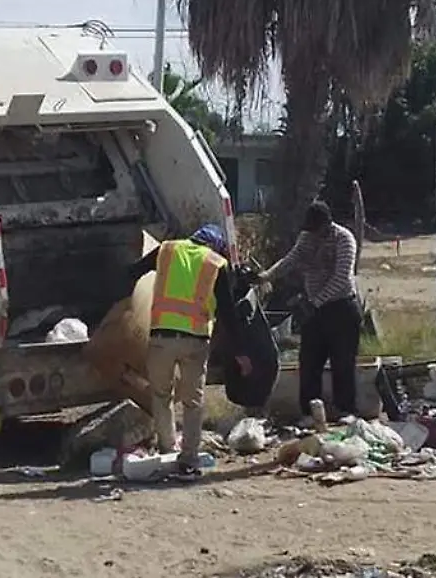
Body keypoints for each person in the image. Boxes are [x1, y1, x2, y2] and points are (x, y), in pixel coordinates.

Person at [127, 223, 251, 481]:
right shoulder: (215, 263)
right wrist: (240, 352)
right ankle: (188, 462)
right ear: (215, 245)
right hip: (195, 341)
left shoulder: (167, 250)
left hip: (161, 338)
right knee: (192, 402)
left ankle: (168, 448)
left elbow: (134, 272)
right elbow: (228, 312)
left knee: (161, 395)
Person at [256, 201, 360, 422]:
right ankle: (310, 412)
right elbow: (291, 259)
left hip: (341, 307)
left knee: (343, 361)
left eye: (316, 229)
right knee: (310, 361)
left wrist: (317, 302)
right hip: (315, 309)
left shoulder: (344, 238)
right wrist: (266, 276)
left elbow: (342, 277)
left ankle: (346, 410)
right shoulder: (307, 237)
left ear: (326, 224)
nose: (312, 233)